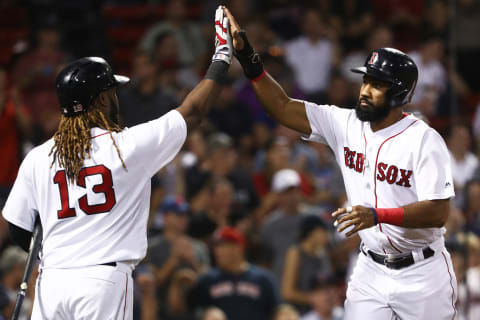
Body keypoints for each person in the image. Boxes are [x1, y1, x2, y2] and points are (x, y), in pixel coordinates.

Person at [1, 6, 233, 320]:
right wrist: (221, 57)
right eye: (111, 90)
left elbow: (18, 230)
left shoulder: (39, 157)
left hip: (52, 281)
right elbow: (192, 111)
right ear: (99, 99)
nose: (116, 97)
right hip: (102, 280)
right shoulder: (127, 146)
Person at [225, 8, 457, 320]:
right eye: (366, 80)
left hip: (423, 273)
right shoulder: (344, 123)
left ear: (399, 92)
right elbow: (281, 107)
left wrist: (378, 215)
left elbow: (438, 212)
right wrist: (249, 59)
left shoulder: (424, 141)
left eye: (377, 83)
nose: (365, 89)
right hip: (370, 271)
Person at [169, 226, 281, 320]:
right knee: (213, 315)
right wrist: (177, 282)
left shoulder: (263, 278)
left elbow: (278, 309)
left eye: (223, 245)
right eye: (216, 246)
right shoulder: (209, 279)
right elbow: (178, 309)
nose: (217, 251)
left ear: (238, 248)